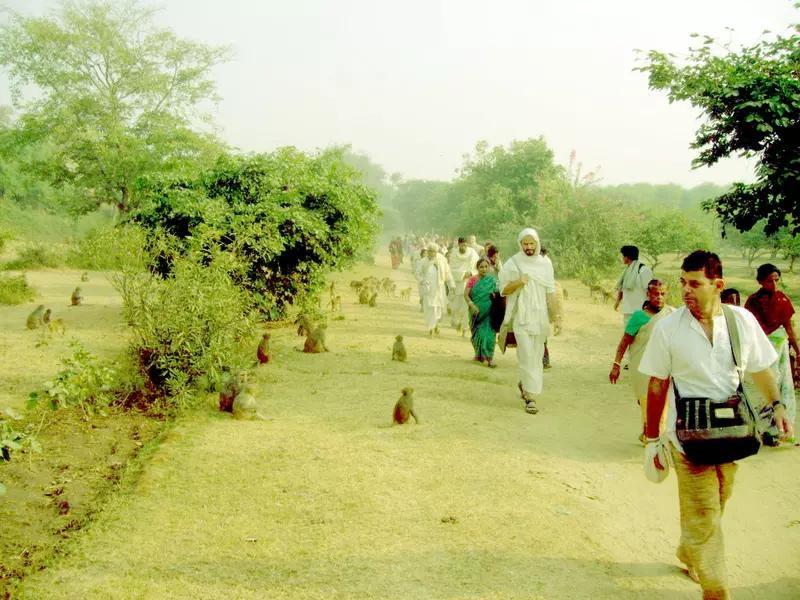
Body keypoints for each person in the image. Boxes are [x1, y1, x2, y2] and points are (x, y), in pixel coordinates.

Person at [639, 250, 789, 600]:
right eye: (683, 282)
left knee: (719, 499)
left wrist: (778, 407)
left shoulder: (741, 321)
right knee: (705, 511)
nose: (685, 290)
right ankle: (716, 590)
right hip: (686, 439)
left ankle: (689, 551)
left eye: (695, 284)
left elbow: (762, 369)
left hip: (730, 434)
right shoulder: (668, 328)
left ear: (718, 285)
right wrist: (652, 437)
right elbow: (657, 383)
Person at [498, 228, 563, 414]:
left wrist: (557, 318)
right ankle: (530, 396)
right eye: (525, 244)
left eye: (531, 243)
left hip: (540, 318)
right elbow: (503, 290)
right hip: (521, 318)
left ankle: (526, 384)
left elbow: (551, 293)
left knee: (536, 356)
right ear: (520, 244)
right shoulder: (513, 263)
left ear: (537, 243)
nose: (528, 247)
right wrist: (519, 282)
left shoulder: (545, 264)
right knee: (526, 354)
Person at [608, 279, 675, 444]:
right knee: (647, 402)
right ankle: (651, 436)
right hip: (641, 369)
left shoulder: (671, 315)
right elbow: (625, 341)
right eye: (656, 294)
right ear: (648, 294)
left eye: (662, 294)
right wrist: (616, 364)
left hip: (664, 367)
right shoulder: (638, 317)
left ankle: (652, 436)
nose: (659, 297)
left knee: (663, 404)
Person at [744, 263, 798, 438]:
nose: (773, 284)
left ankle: (786, 428)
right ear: (760, 281)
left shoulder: (782, 300)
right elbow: (749, 330)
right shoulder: (753, 302)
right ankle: (767, 430)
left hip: (780, 352)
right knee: (763, 389)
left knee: (783, 387)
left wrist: (797, 351)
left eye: (776, 280)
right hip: (761, 352)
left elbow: (789, 328)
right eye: (769, 281)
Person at [465, 257, 499, 367]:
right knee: (477, 334)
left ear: (489, 267)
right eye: (481, 267)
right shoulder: (472, 280)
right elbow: (466, 295)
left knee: (488, 335)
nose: (484, 269)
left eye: (486, 266)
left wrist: (495, 296)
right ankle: (478, 355)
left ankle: (489, 358)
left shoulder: (492, 280)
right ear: (477, 268)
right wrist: (472, 306)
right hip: (476, 312)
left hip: (489, 312)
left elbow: (498, 294)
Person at [415, 243, 454, 336]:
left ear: (436, 252)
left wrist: (452, 285)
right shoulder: (422, 261)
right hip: (428, 289)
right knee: (429, 309)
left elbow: (448, 273)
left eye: (434, 252)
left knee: (438, 308)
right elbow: (417, 274)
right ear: (427, 252)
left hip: (439, 289)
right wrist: (423, 281)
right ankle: (431, 327)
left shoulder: (441, 260)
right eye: (430, 251)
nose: (432, 254)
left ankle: (435, 325)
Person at [614, 245, 653, 332]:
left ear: (626, 257)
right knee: (628, 335)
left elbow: (651, 291)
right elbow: (622, 289)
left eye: (623, 256)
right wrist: (617, 302)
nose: (622, 258)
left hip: (641, 311)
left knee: (641, 336)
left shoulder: (644, 270)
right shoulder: (626, 272)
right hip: (628, 311)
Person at [449, 237, 480, 335]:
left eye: (465, 245)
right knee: (457, 308)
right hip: (458, 284)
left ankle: (464, 328)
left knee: (466, 308)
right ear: (459, 244)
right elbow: (451, 270)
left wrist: (471, 273)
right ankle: (457, 323)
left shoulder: (473, 254)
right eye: (462, 245)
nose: (464, 247)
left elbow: (478, 267)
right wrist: (462, 274)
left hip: (470, 283)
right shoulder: (454, 254)